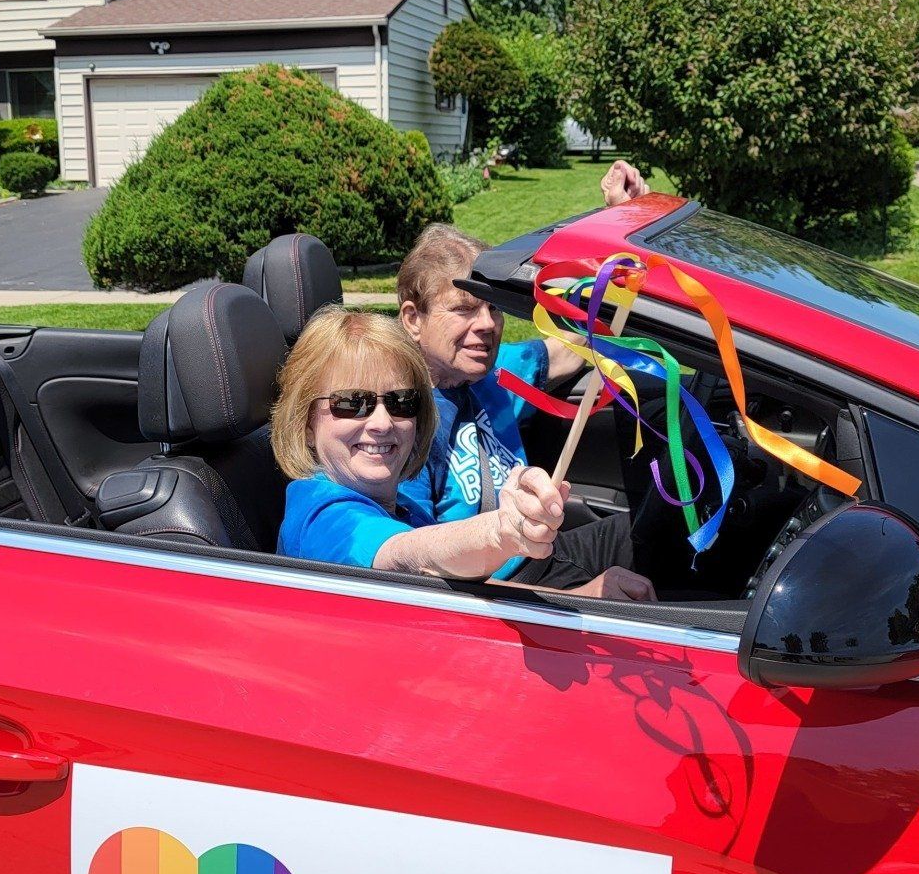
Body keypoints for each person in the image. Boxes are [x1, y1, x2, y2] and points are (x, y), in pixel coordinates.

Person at [395, 161, 653, 594]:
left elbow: (579, 343)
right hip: (495, 591)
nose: (487, 324)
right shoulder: (402, 423)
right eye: (463, 308)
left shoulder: (496, 372)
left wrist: (622, 219)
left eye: (492, 307)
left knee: (661, 529)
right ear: (413, 318)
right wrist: (578, 598)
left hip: (540, 554)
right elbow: (427, 579)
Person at [274, 308, 652, 599]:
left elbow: (463, 592)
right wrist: (505, 528)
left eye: (401, 402)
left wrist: (579, 599)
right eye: (352, 403)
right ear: (306, 422)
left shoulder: (398, 503)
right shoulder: (321, 513)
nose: (382, 422)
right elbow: (406, 555)